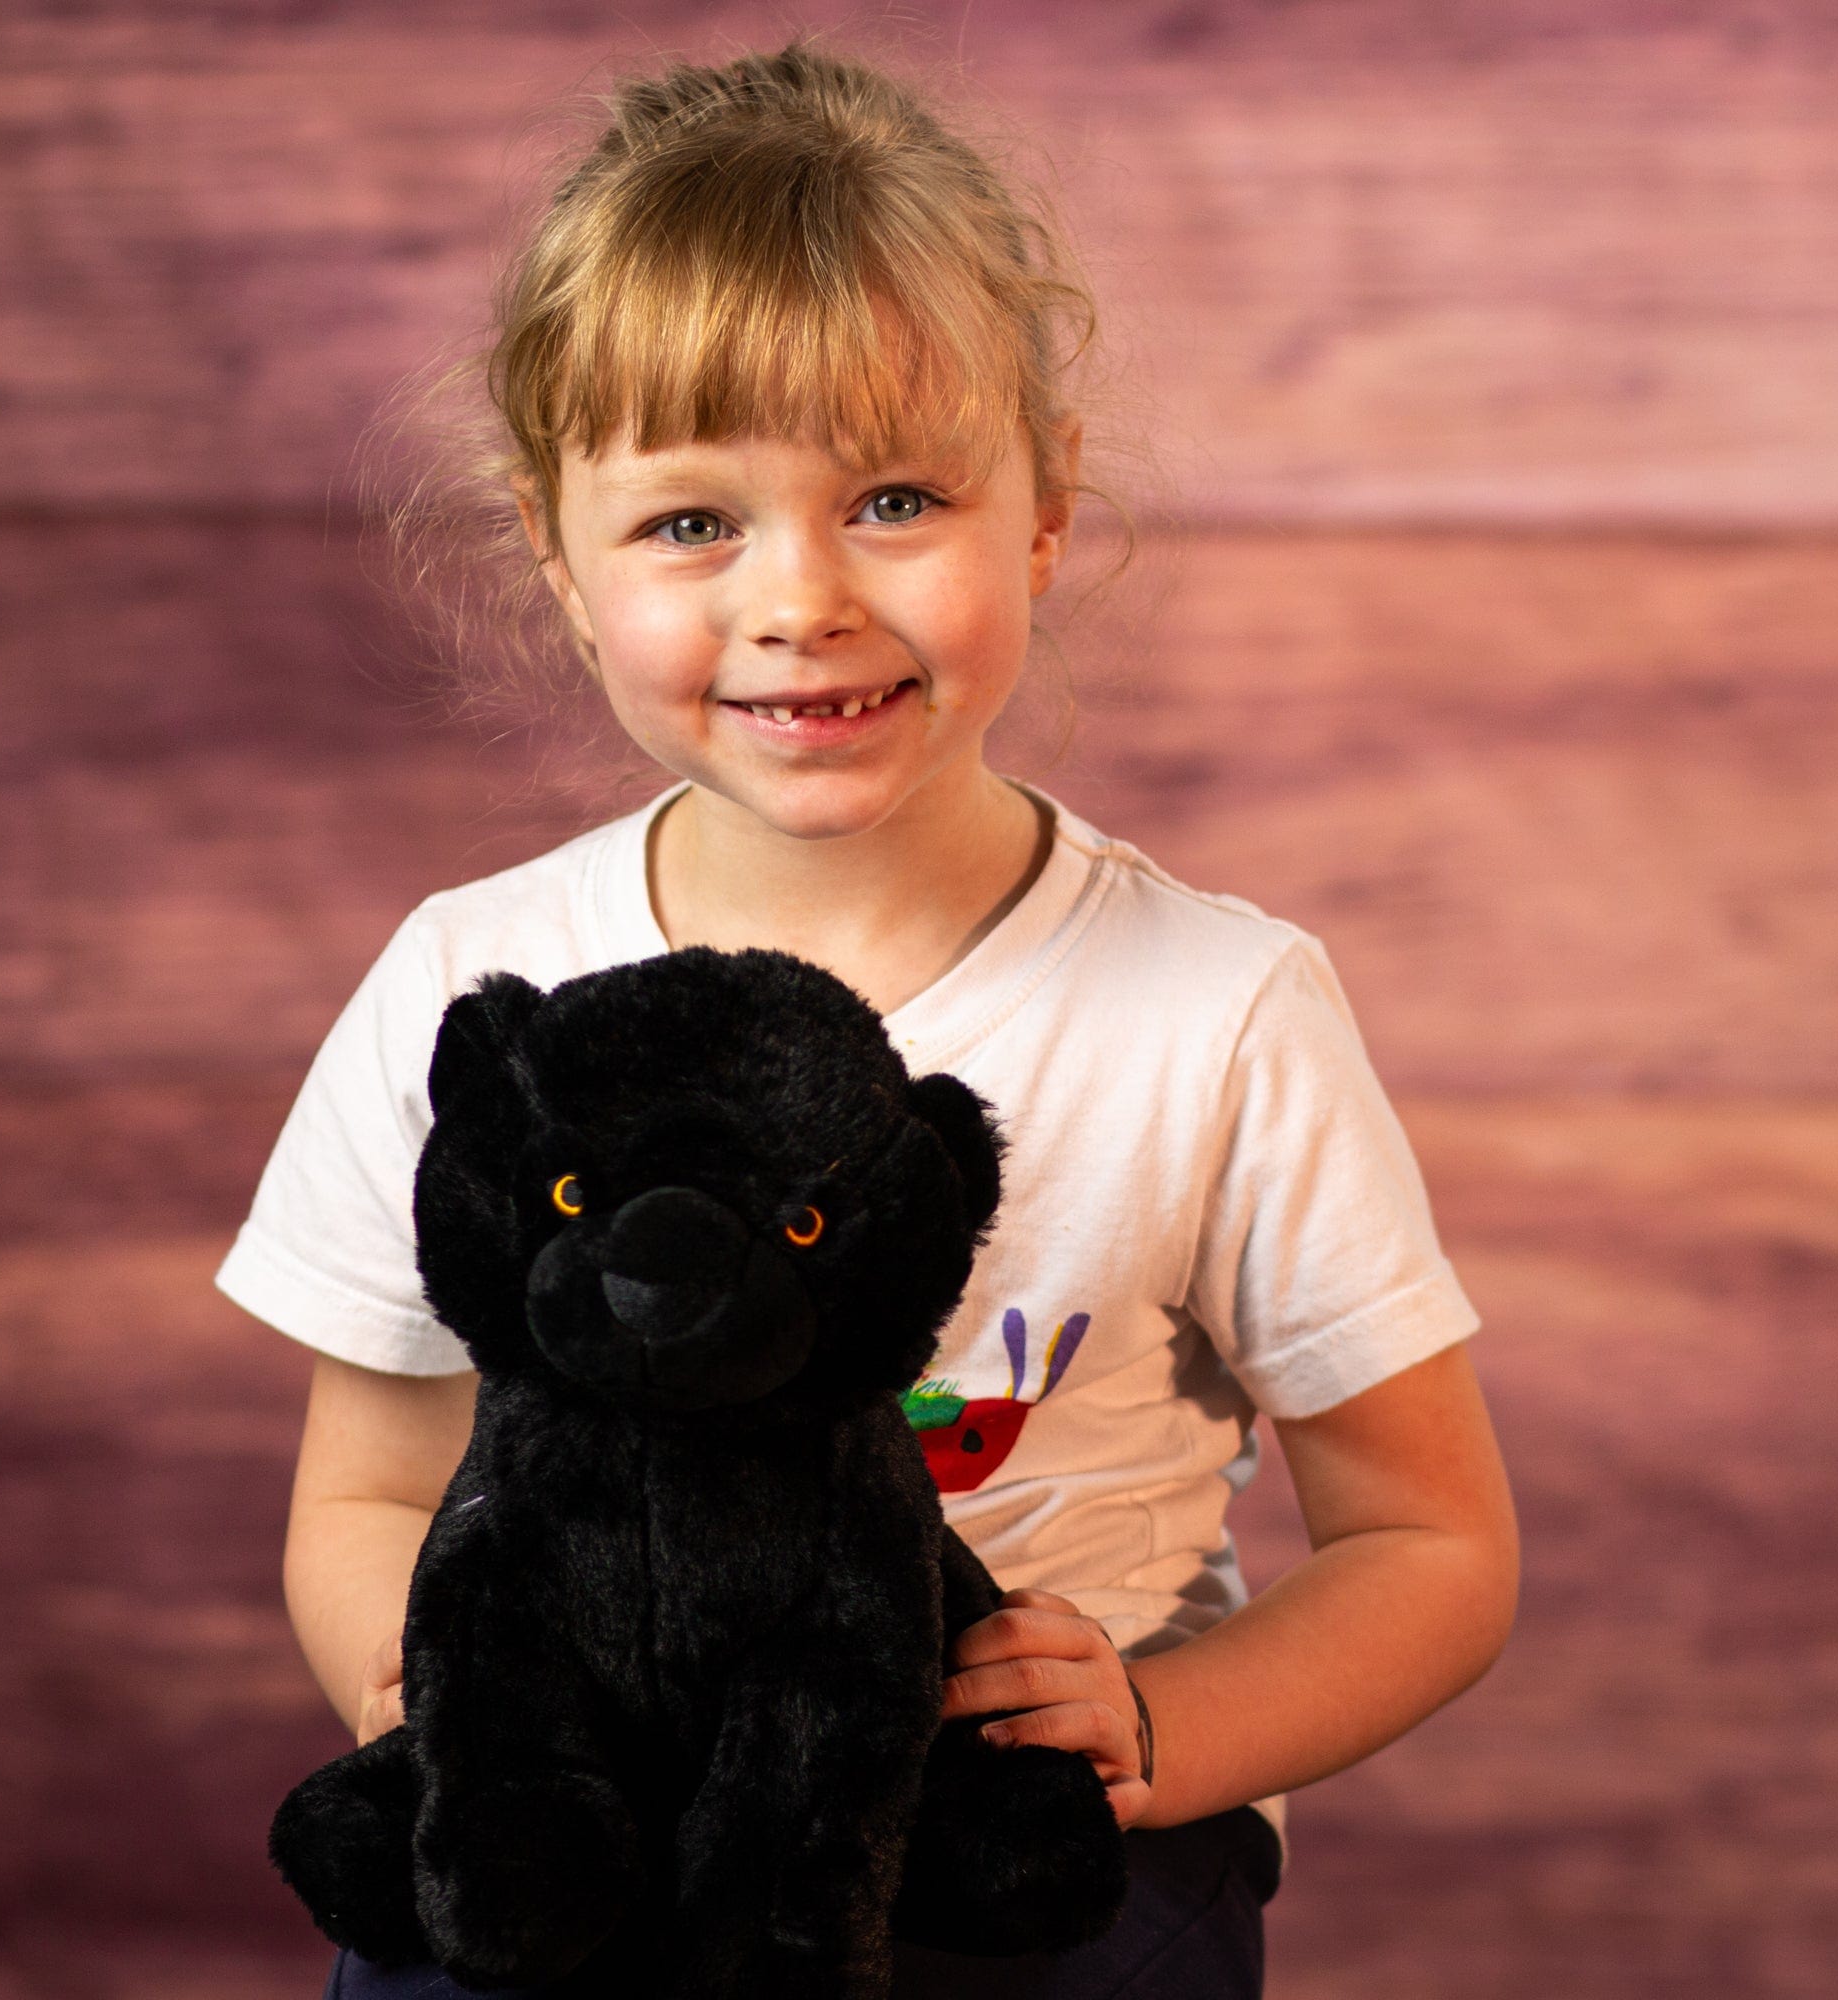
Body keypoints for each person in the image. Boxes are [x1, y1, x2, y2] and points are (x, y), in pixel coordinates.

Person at [215, 37, 1519, 2000]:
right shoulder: (469, 987)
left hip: (1015, 1852)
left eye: (894, 496)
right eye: (688, 524)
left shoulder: (1219, 1010)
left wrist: (1158, 1736)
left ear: (1045, 514)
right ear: (558, 561)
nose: (799, 596)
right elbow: (371, 1486)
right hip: (597, 1841)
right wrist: (470, 1714)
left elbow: (1430, 1543)